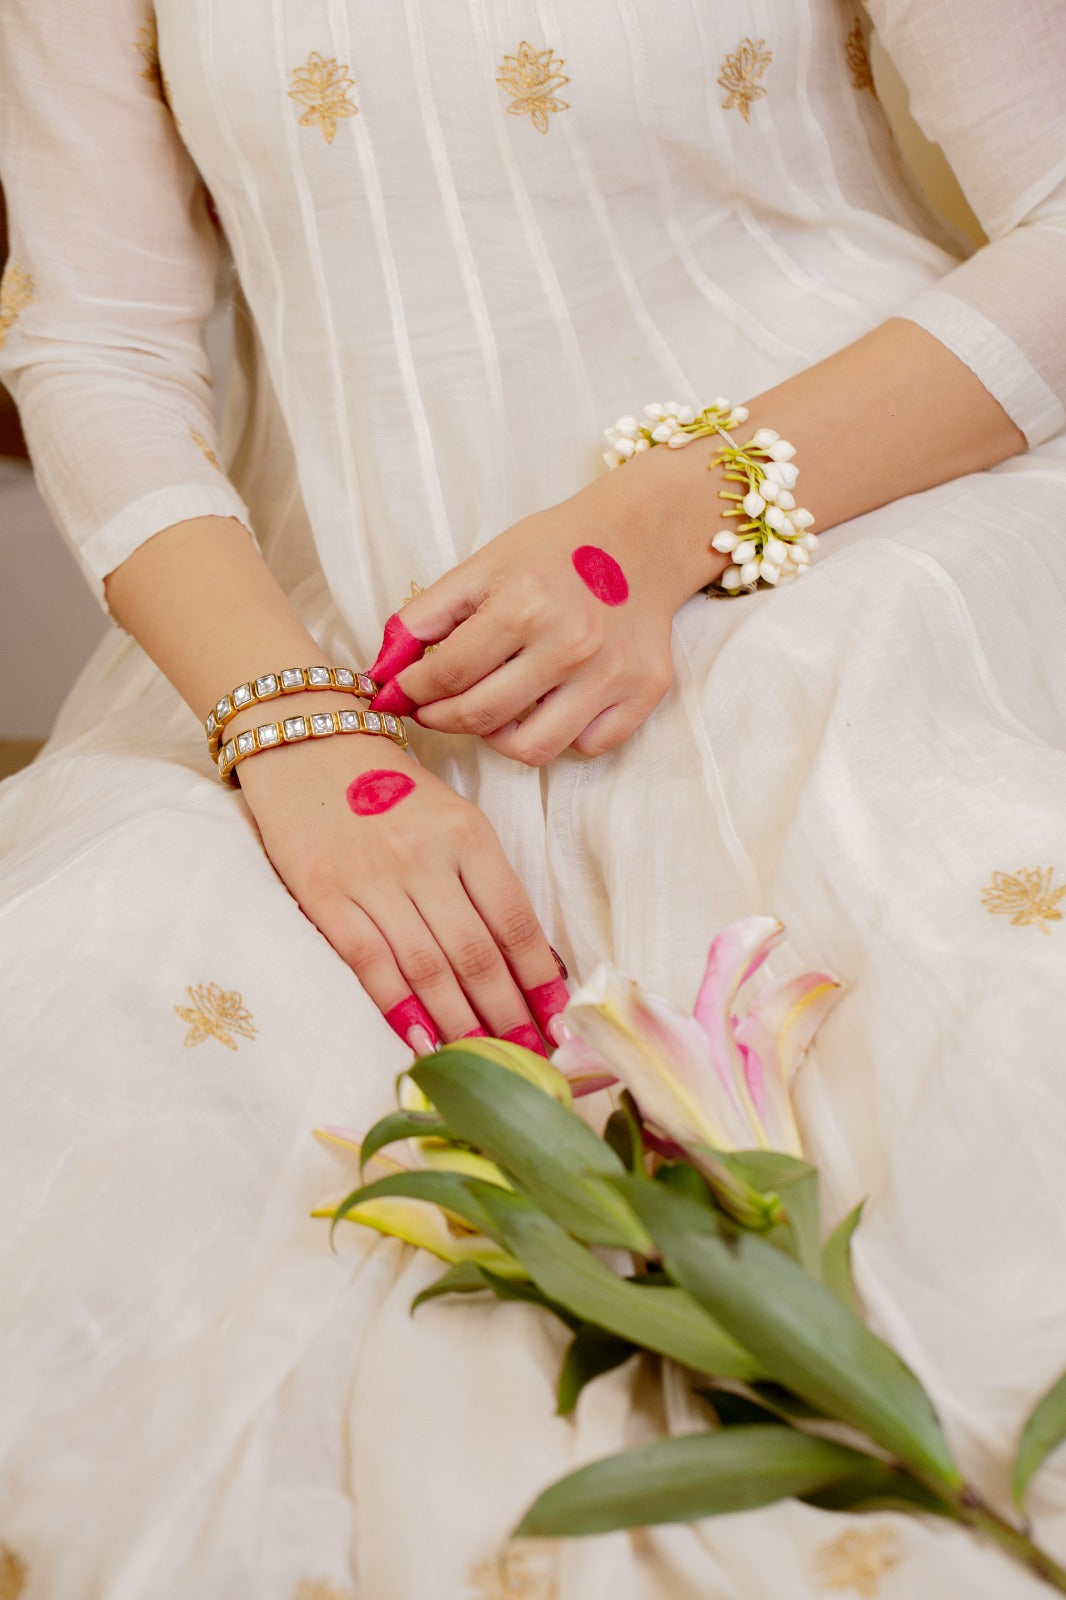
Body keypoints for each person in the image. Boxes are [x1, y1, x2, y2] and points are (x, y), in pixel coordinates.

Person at [1, 2, 1065, 1595]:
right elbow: (97, 341)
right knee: (97, 1037)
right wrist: (291, 731)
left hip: (838, 546)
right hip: (337, 662)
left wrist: (672, 517)